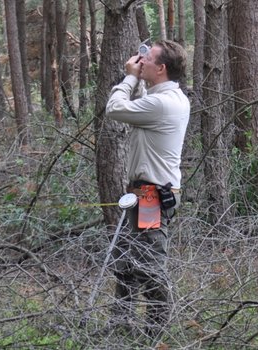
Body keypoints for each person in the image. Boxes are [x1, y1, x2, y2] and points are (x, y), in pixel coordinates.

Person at [104, 40, 190, 338]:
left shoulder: (162, 103)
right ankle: (121, 324)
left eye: (148, 59)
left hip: (152, 196)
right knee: (126, 261)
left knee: (149, 265)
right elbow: (142, 103)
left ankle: (155, 334)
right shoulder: (165, 97)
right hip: (146, 193)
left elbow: (115, 108)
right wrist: (140, 79)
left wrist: (129, 77)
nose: (141, 62)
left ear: (161, 68)